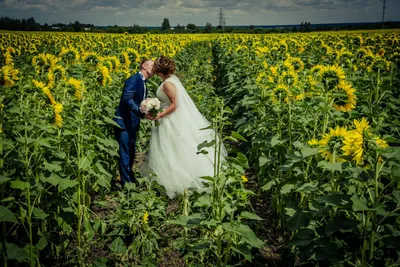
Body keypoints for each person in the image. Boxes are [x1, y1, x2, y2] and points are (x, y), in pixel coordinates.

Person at [144, 56, 226, 198]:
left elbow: (175, 104)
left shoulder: (167, 84)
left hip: (170, 120)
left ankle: (181, 182)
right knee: (171, 149)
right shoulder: (169, 81)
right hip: (167, 118)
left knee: (173, 149)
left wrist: (159, 115)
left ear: (158, 69)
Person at [114, 58, 155, 185]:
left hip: (132, 122)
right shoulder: (134, 79)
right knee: (126, 153)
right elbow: (127, 98)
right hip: (125, 122)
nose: (154, 68)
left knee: (131, 152)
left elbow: (136, 100)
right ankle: (127, 184)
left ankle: (130, 179)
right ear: (143, 66)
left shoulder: (143, 82)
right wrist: (140, 110)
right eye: (151, 65)